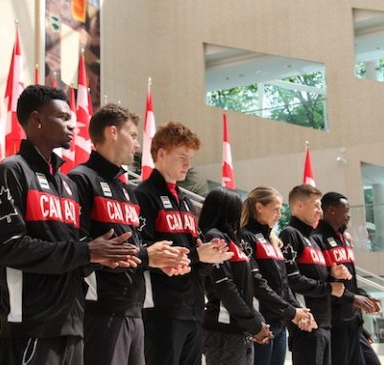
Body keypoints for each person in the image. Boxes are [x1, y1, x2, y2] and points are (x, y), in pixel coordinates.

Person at [0, 85, 142, 365]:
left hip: (72, 323)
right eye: (64, 117)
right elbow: (11, 248)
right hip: (29, 326)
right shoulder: (11, 171)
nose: (74, 124)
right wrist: (86, 253)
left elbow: (75, 254)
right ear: (37, 120)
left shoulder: (67, 184)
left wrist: (104, 256)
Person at [68, 104, 191, 365]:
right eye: (133, 135)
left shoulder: (125, 190)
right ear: (113, 132)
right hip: (100, 309)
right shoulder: (80, 179)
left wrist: (160, 261)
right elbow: (78, 247)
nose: (137, 144)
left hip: (134, 308)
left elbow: (135, 247)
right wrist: (147, 255)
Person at [135, 121, 233, 365]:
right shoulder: (143, 196)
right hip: (162, 309)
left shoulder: (185, 203)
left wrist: (210, 256)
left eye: (190, 157)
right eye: (182, 157)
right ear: (161, 154)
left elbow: (195, 254)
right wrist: (199, 254)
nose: (188, 164)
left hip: (193, 306)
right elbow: (144, 252)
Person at [240, 186, 315, 365]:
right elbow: (257, 283)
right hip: (261, 323)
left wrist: (298, 310)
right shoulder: (246, 237)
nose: (280, 214)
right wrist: (291, 311)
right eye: (276, 209)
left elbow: (283, 283)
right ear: (259, 207)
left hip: (280, 323)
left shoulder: (272, 240)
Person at [199, 187, 273, 365]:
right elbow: (225, 287)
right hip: (223, 330)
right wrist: (254, 325)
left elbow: (245, 289)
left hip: (240, 330)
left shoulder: (233, 240)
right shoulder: (214, 237)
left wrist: (257, 322)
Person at [279, 185, 347, 365]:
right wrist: (329, 287)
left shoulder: (315, 239)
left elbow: (320, 277)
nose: (320, 211)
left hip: (324, 323)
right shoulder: (290, 234)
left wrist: (334, 275)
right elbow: (290, 279)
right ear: (299, 205)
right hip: (306, 323)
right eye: (316, 206)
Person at [312, 192, 381, 365]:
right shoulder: (316, 239)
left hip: (353, 322)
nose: (348, 215)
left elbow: (351, 282)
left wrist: (365, 298)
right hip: (335, 323)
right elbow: (322, 282)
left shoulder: (343, 238)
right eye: (346, 210)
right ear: (331, 210)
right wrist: (353, 298)